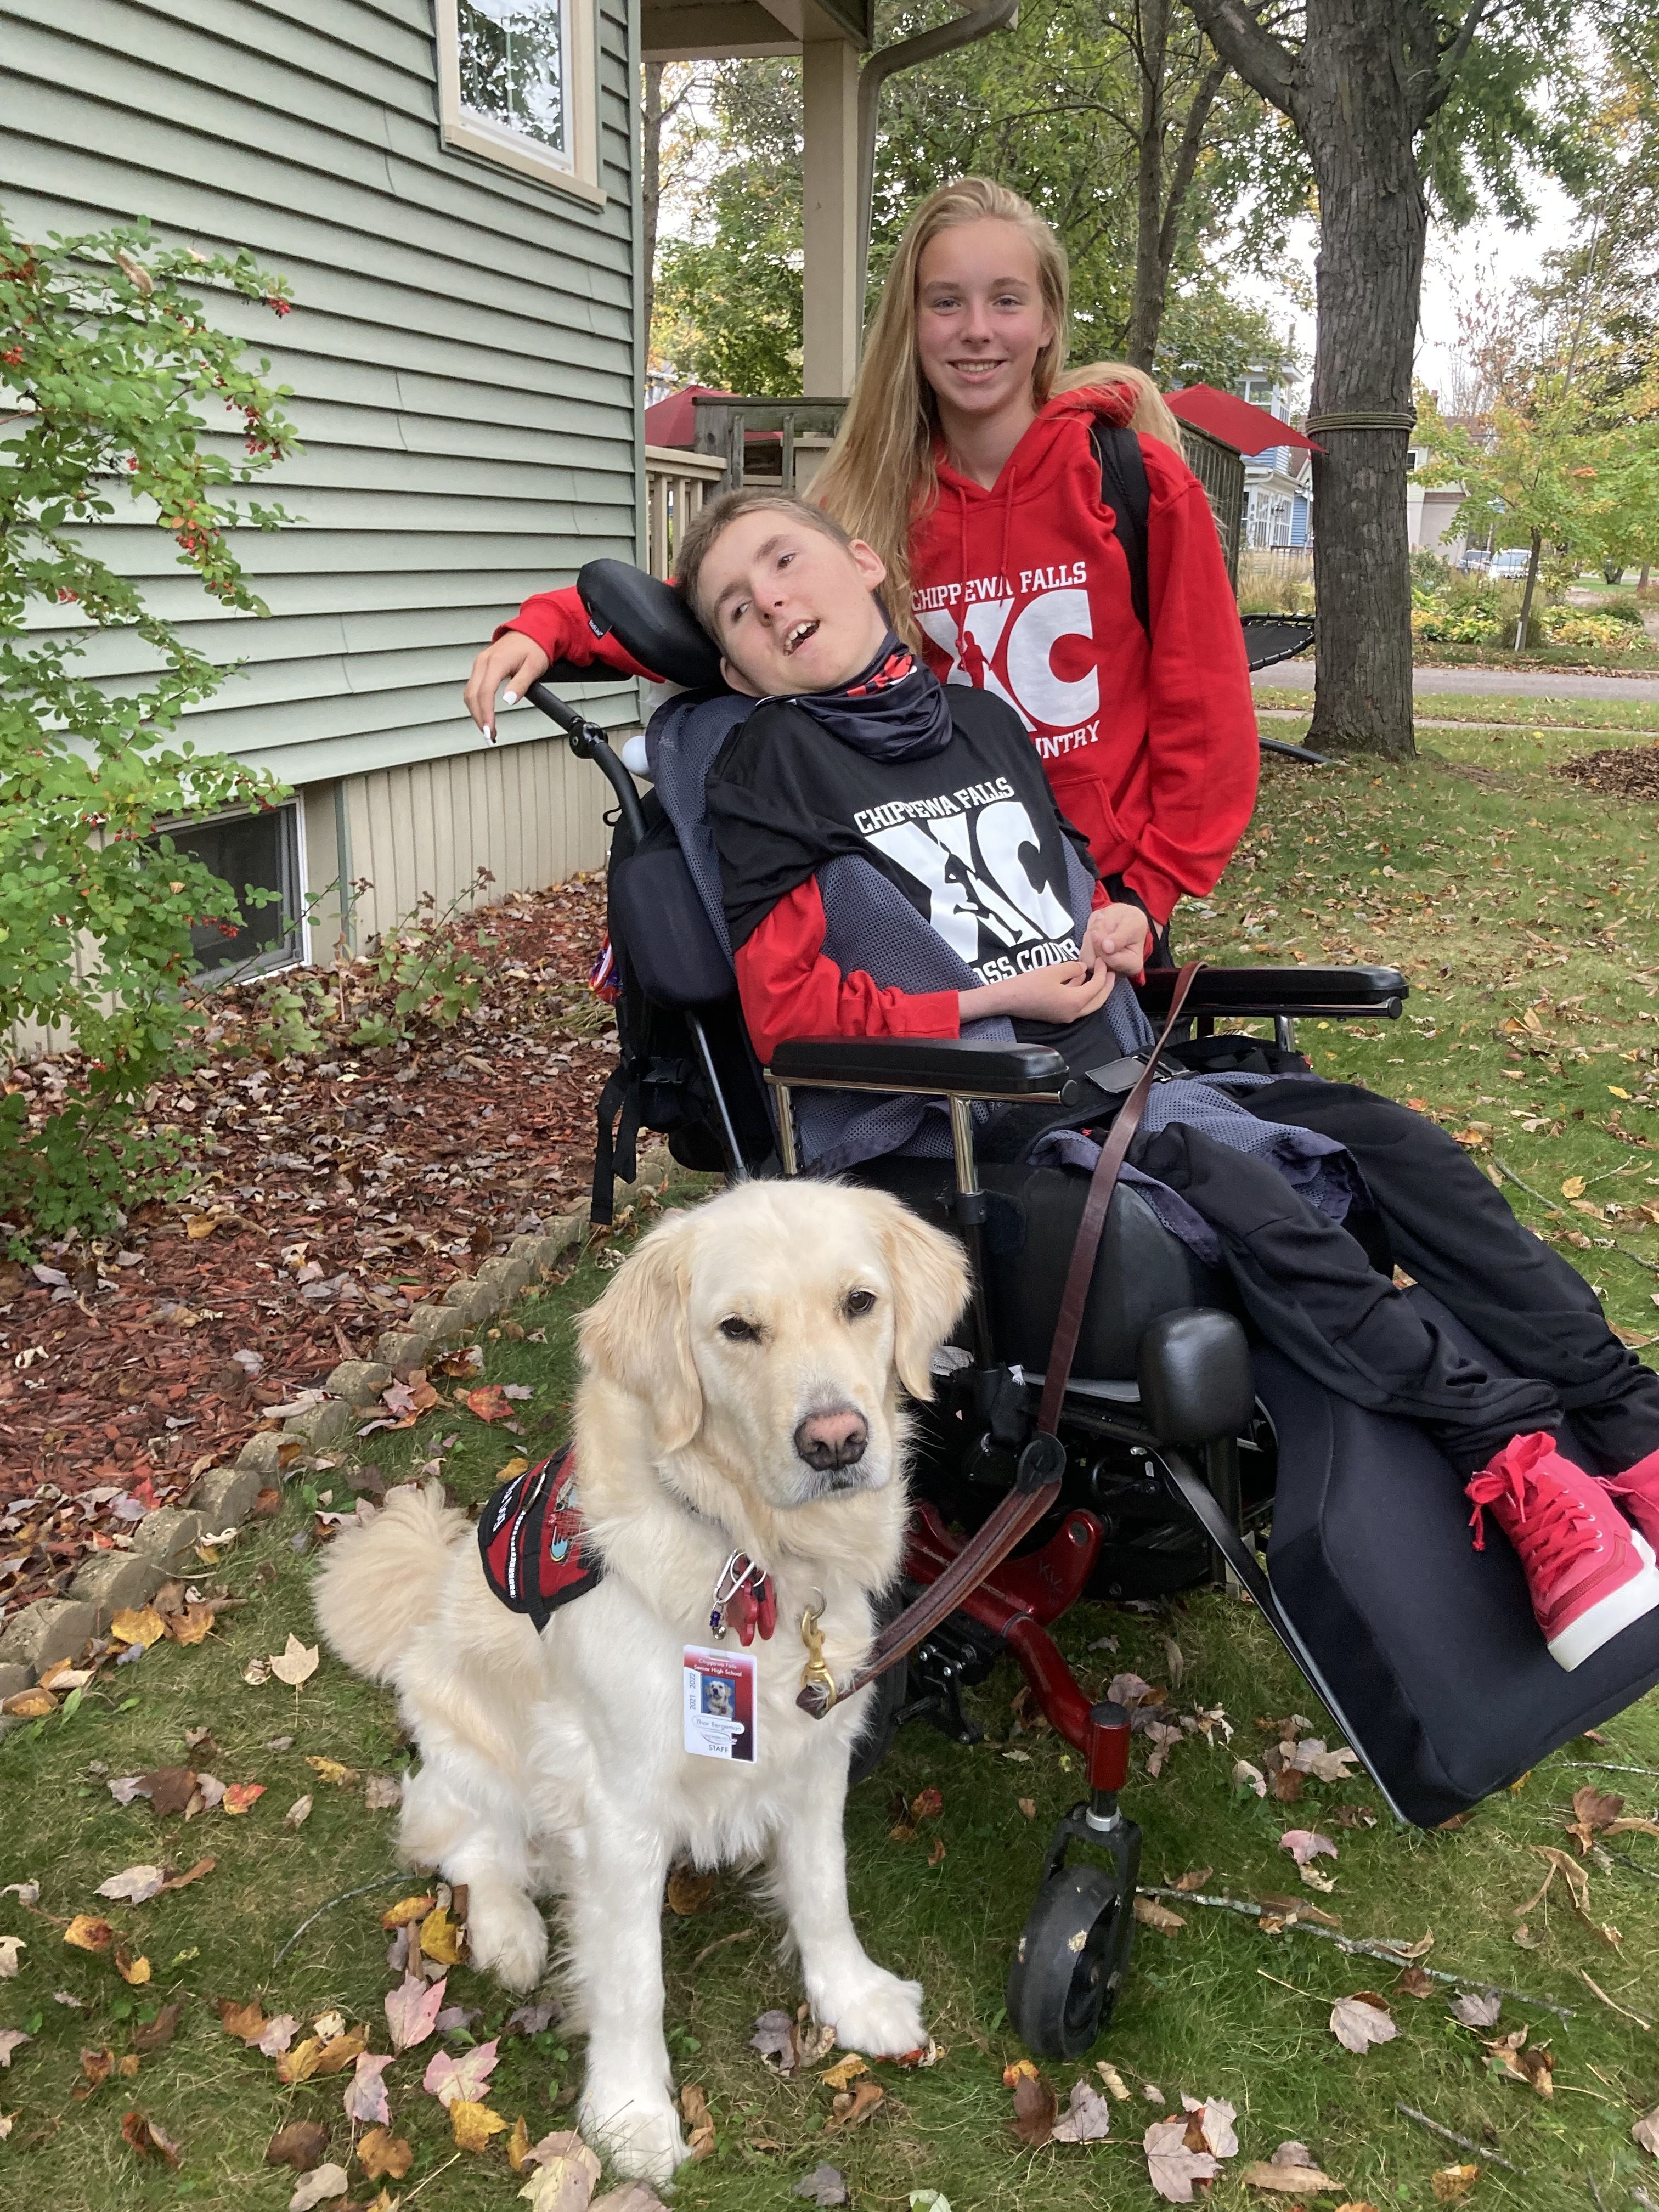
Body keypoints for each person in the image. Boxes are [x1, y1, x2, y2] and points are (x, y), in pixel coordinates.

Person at [659, 484, 1659, 1677]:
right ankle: (1509, 1461)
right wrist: (1000, 1000)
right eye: (733, 609)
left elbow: (1057, 898)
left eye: (784, 561)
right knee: (1229, 1180)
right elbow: (790, 1017)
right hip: (961, 1117)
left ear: (865, 562)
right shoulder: (767, 766)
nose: (770, 599)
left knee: (1398, 1146)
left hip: (1113, 1071)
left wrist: (1116, 929)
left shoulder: (981, 723)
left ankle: (1627, 1424)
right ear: (739, 670)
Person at [461, 178, 1256, 968]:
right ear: (909, 325)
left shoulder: (1133, 479)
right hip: (944, 906)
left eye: (1007, 301)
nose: (976, 330)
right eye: (945, 302)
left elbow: (1206, 714)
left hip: (1102, 905)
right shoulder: (871, 498)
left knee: (1118, 1093)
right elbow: (745, 613)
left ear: (1049, 319)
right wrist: (556, 626)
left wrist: (1148, 895)